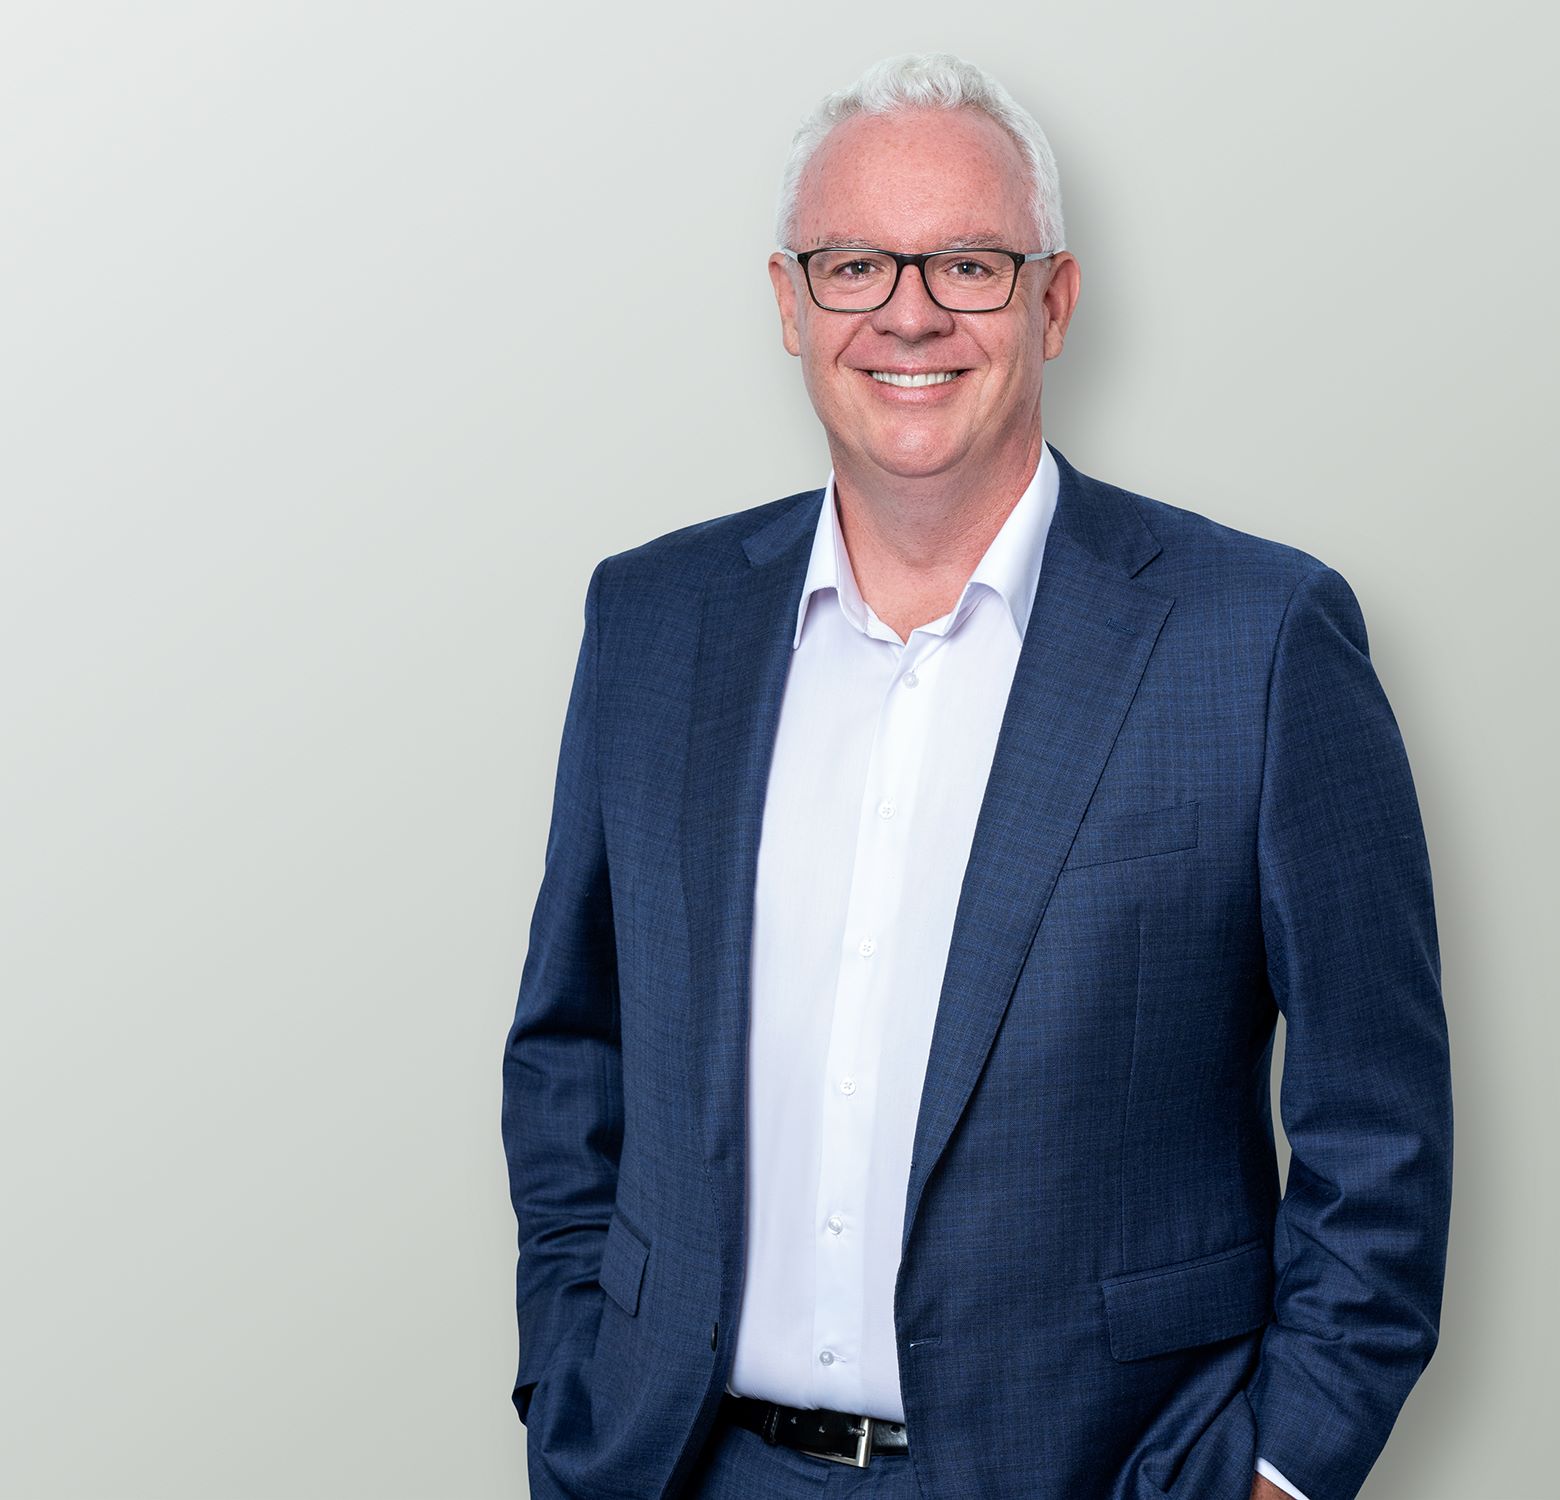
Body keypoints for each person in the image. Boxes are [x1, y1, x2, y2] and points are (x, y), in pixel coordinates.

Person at [501, 51, 1453, 1500]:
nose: (909, 313)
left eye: (970, 264)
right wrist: (572, 1381)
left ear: (1054, 302)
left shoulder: (1256, 640)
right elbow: (572, 1047)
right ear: (789, 304)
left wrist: (1281, 1470)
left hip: (1099, 1470)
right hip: (680, 1465)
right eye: (854, 265)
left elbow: (1378, 1126)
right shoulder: (651, 622)